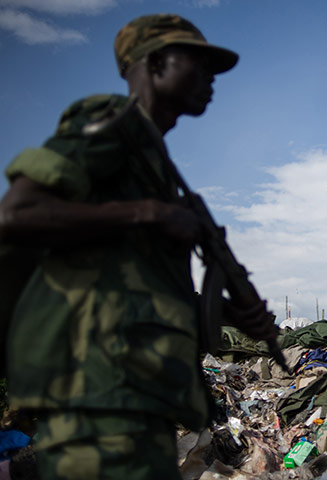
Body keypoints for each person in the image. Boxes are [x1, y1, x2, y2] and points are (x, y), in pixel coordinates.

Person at [0, 14, 278, 479]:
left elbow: (139, 289)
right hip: (97, 381)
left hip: (131, 388)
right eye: (198, 63)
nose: (211, 79)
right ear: (154, 63)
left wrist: (230, 315)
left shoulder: (157, 163)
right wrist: (148, 214)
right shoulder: (112, 120)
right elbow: (17, 214)